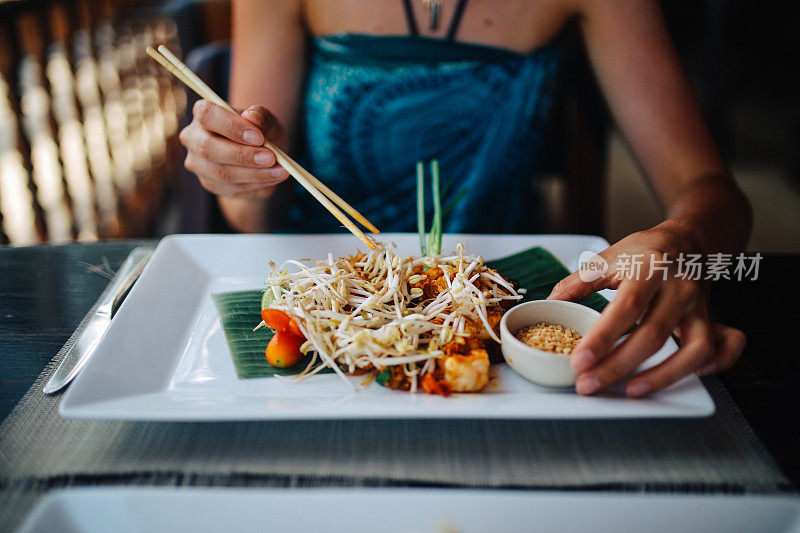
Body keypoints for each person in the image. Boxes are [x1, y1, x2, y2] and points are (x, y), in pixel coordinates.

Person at [179, 0, 751, 398]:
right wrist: (244, 171)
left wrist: (685, 238)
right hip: (322, 290)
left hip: (498, 291)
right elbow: (247, 213)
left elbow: (711, 191)